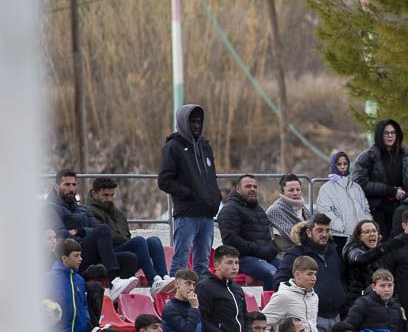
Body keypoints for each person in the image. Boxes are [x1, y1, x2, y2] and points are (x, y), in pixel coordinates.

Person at [46, 170, 139, 296]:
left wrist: (80, 230)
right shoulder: (50, 208)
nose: (71, 188)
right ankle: (114, 281)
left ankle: (118, 301)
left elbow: (95, 227)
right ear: (57, 187)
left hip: (90, 251)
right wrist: (86, 233)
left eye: (74, 185)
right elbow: (61, 234)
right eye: (67, 185)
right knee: (104, 230)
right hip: (70, 253)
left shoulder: (81, 208)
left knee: (130, 258)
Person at [157, 104, 221, 275]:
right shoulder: (173, 147)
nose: (196, 125)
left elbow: (211, 177)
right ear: (183, 122)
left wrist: (216, 197)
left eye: (199, 122)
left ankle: (201, 299)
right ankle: (174, 298)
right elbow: (164, 181)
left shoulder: (205, 147)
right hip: (187, 215)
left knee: (203, 263)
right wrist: (189, 193)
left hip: (207, 215)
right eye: (192, 122)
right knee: (181, 260)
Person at [86, 177, 172, 293]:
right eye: (105, 195)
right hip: (108, 255)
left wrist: (126, 240)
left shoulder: (118, 213)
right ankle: (153, 281)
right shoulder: (90, 212)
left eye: (112, 195)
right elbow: (108, 237)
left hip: (122, 248)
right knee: (139, 241)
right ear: (94, 194)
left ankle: (163, 277)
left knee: (154, 241)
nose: (109, 199)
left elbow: (125, 235)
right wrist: (127, 240)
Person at [274, 214, 346, 332]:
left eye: (327, 230)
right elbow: (280, 282)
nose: (324, 234)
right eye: (319, 230)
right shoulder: (295, 253)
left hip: (336, 317)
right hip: (311, 319)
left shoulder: (333, 252)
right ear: (309, 232)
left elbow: (341, 279)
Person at [352, 118, 408, 239]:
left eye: (393, 132)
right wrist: (389, 190)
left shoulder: (406, 157)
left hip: (401, 210)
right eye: (386, 133)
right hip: (376, 210)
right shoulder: (367, 157)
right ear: (379, 135)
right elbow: (359, 183)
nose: (390, 136)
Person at [216, 174, 280, 289]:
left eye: (255, 187)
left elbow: (266, 237)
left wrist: (272, 248)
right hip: (242, 259)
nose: (252, 189)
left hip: (263, 256)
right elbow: (230, 240)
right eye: (248, 186)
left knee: (290, 271)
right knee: (271, 273)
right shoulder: (230, 209)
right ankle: (271, 305)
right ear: (238, 189)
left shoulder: (258, 209)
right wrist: (257, 249)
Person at [47, 239, 90, 332]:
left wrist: (85, 322)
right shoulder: (49, 279)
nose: (80, 259)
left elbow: (83, 305)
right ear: (64, 258)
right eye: (76, 256)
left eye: (80, 255)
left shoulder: (79, 280)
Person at [315, 150, 371, 250]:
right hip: (340, 236)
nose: (342, 166)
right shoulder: (326, 189)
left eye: (345, 164)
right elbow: (325, 211)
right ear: (333, 165)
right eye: (339, 164)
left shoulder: (356, 187)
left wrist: (366, 223)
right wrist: (341, 226)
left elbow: (365, 208)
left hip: (360, 235)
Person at [341, 219, 386, 314]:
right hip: (355, 306)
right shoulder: (352, 249)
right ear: (359, 236)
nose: (372, 234)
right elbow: (361, 258)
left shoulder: (378, 253)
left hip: (375, 305)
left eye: (374, 231)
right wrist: (380, 250)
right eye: (367, 232)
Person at [265, 174, 311, 252]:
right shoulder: (275, 210)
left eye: (298, 189)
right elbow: (292, 235)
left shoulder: (304, 208)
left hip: (307, 248)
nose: (296, 193)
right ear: (283, 192)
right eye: (291, 190)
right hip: (287, 252)